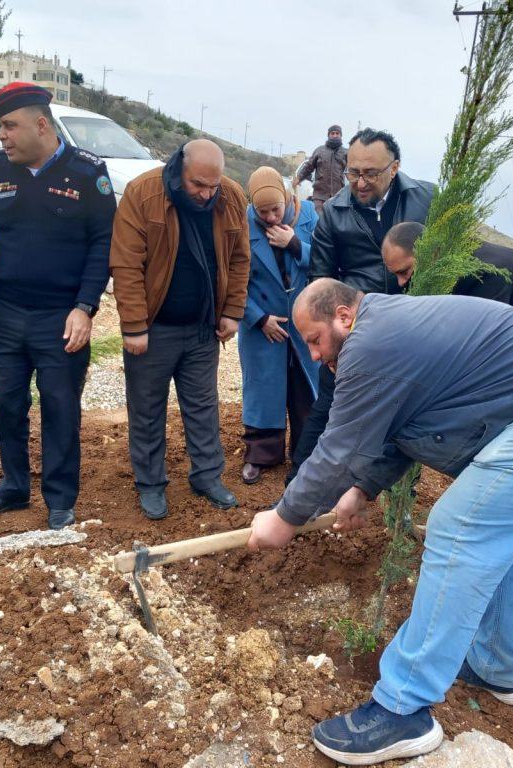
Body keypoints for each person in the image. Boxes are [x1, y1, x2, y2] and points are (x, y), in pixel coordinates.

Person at [247, 279, 513, 765]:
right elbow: (401, 428)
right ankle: (497, 666)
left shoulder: (371, 343)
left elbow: (339, 448)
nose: (313, 355)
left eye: (314, 339)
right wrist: (363, 489)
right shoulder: (392, 329)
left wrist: (284, 518)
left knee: (458, 530)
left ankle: (402, 708)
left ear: (343, 317)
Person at [0, 82, 115, 530]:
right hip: (5, 312)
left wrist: (85, 307)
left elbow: (103, 244)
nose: (1, 135)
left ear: (41, 125)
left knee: (61, 408)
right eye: (0, 127)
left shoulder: (87, 173)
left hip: (60, 318)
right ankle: (13, 487)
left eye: (10, 126)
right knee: (7, 405)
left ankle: (60, 500)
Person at [110, 139, 250, 520]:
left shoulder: (230, 197)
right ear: (179, 169)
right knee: (147, 407)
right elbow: (126, 264)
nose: (206, 194)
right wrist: (134, 325)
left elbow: (240, 258)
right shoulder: (143, 193)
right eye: (198, 185)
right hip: (154, 328)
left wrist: (232, 311)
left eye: (213, 186)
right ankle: (150, 483)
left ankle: (207, 476)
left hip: (203, 327)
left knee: (203, 407)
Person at [287, 128, 435, 484]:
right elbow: (320, 281)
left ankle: (398, 494)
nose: (360, 182)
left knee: (406, 413)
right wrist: (334, 344)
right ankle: (295, 487)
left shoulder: (427, 198)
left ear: (394, 168)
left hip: (414, 327)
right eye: (353, 172)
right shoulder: (334, 212)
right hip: (356, 328)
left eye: (370, 173)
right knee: (328, 409)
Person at [238, 167, 320, 485]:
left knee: (305, 390)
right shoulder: (241, 223)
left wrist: (295, 245)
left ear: (287, 197)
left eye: (276, 209)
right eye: (264, 212)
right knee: (262, 388)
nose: (271, 217)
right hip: (262, 325)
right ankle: (260, 455)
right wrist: (258, 318)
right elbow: (232, 279)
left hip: (304, 322)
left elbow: (325, 262)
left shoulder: (309, 215)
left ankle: (305, 455)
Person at [382, 222, 513, 325]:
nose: (401, 283)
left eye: (405, 272)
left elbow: (481, 341)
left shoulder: (483, 273)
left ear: (431, 253)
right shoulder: (451, 261)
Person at [294, 124, 347, 213]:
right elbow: (308, 167)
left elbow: (354, 169)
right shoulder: (319, 151)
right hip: (320, 196)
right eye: (332, 133)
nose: (335, 135)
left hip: (338, 197)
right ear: (328, 135)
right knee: (319, 219)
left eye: (337, 133)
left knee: (336, 220)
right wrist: (299, 178)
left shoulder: (345, 153)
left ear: (341, 135)